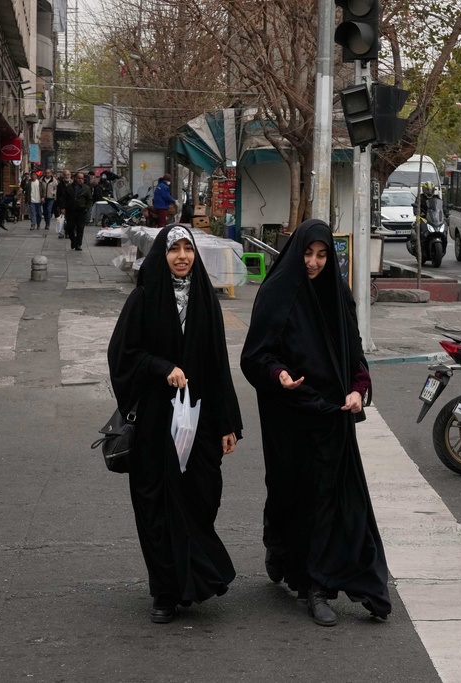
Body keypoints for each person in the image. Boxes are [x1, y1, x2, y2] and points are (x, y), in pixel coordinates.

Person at [240, 219, 391, 628]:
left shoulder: (337, 294)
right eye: (308, 254)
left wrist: (359, 388)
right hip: (290, 416)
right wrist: (280, 377)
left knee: (330, 500)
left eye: (323, 256)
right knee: (291, 495)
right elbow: (255, 356)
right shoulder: (276, 293)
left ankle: (318, 586)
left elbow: (355, 355)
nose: (313, 263)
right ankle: (279, 545)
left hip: (334, 415)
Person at [107, 226, 243, 624]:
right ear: (161, 256)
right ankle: (165, 591)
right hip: (155, 424)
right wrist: (161, 367)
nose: (182, 256)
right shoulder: (144, 298)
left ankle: (196, 577)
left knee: (202, 496)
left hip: (198, 422)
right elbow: (123, 355)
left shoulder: (205, 300)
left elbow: (218, 366)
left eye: (188, 249)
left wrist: (227, 424)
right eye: (174, 250)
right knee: (157, 509)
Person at [62, 172, 93, 251]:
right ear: (75, 178)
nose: (80, 180)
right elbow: (64, 198)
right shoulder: (69, 187)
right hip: (71, 210)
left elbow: (89, 199)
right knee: (70, 227)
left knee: (80, 228)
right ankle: (73, 240)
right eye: (79, 178)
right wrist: (63, 207)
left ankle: (78, 244)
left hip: (81, 210)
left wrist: (87, 208)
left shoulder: (86, 188)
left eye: (82, 178)